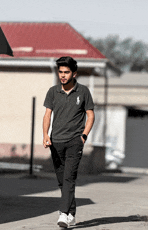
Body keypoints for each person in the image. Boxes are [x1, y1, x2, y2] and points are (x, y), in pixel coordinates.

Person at [43, 56, 95, 228]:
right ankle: (71, 212)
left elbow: (90, 115)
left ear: (74, 73)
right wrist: (45, 134)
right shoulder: (53, 91)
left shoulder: (83, 92)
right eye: (60, 72)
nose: (63, 75)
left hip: (74, 141)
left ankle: (63, 213)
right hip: (56, 141)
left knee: (69, 178)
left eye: (66, 72)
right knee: (61, 180)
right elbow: (47, 114)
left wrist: (84, 136)